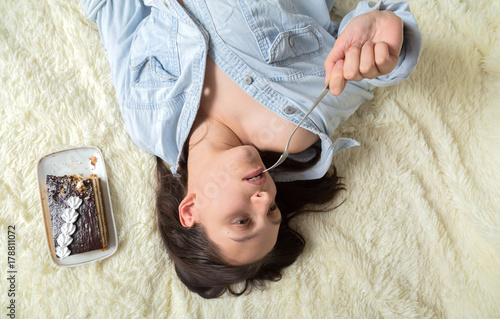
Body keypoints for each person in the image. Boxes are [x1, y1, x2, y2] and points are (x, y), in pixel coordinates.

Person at [81, 0, 421, 298]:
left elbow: (113, 11)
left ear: (190, 210)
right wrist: (388, 36)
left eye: (242, 221)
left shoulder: (146, 122)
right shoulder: (296, 123)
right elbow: (364, 60)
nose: (263, 199)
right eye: (272, 209)